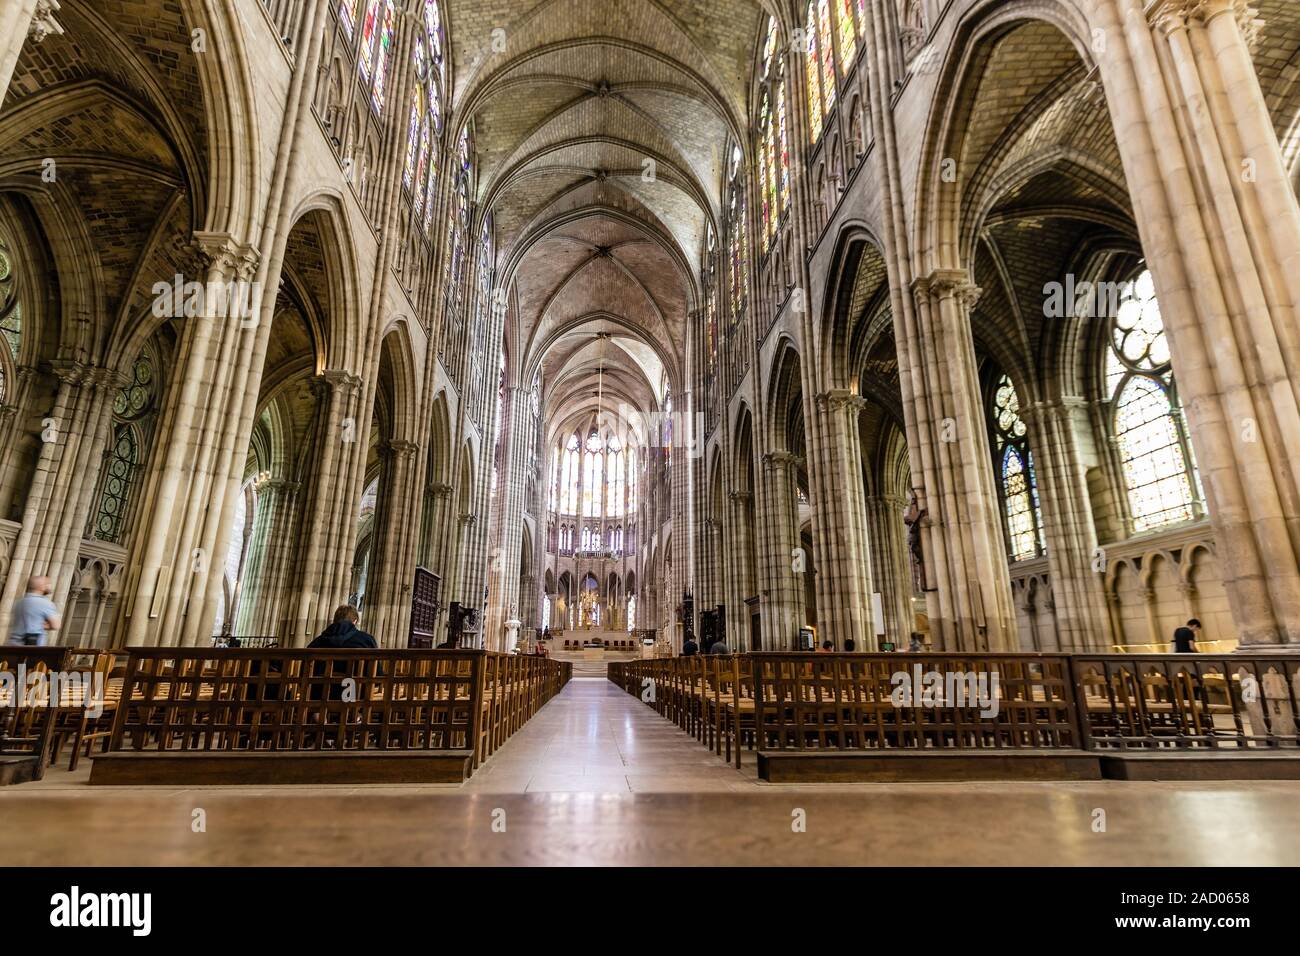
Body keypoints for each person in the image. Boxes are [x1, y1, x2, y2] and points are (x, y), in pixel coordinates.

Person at [7, 575, 61, 646]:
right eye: (47, 584)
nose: (50, 586)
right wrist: (40, 624)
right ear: (41, 587)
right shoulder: (45, 603)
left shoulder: (19, 602)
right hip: (32, 647)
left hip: (13, 644)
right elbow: (56, 625)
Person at [308, 605, 377, 648]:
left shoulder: (318, 642)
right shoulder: (367, 640)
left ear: (335, 620)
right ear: (355, 621)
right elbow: (377, 669)